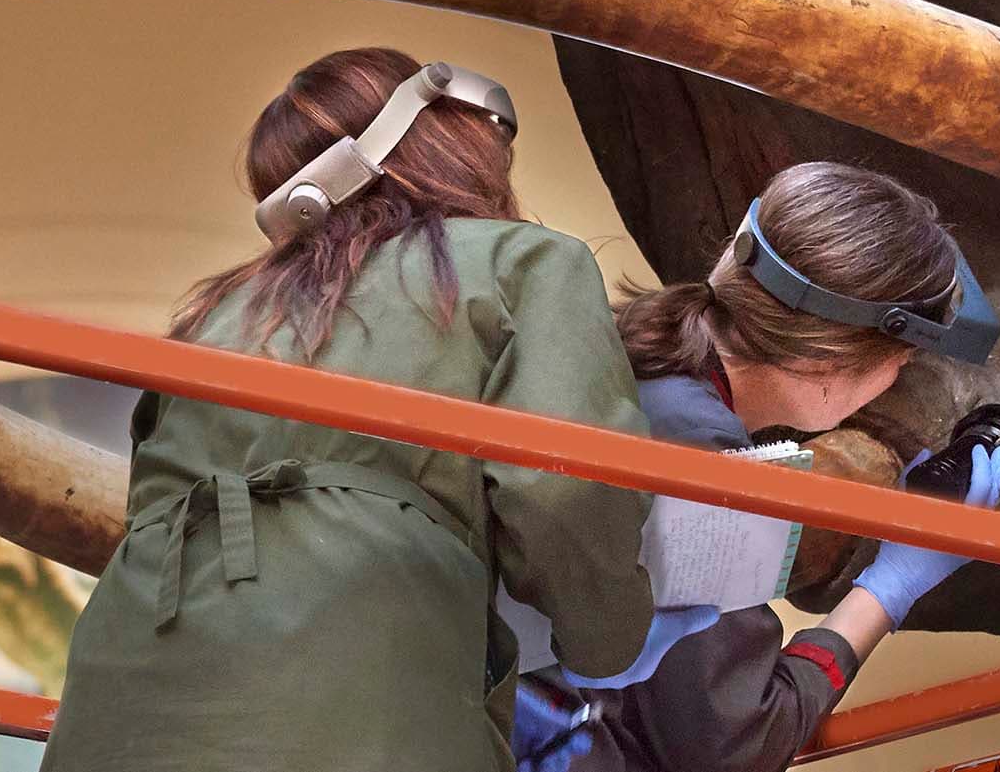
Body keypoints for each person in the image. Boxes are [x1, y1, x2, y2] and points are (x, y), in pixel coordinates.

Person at [40, 48, 672, 772]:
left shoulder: (207, 320)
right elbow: (565, 487)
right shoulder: (521, 260)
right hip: (361, 712)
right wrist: (610, 637)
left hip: (119, 711)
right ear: (444, 138)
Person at [514, 161, 1000, 772]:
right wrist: (893, 584)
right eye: (901, 363)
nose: (894, 380)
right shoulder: (700, 459)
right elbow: (730, 745)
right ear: (832, 360)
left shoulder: (626, 360)